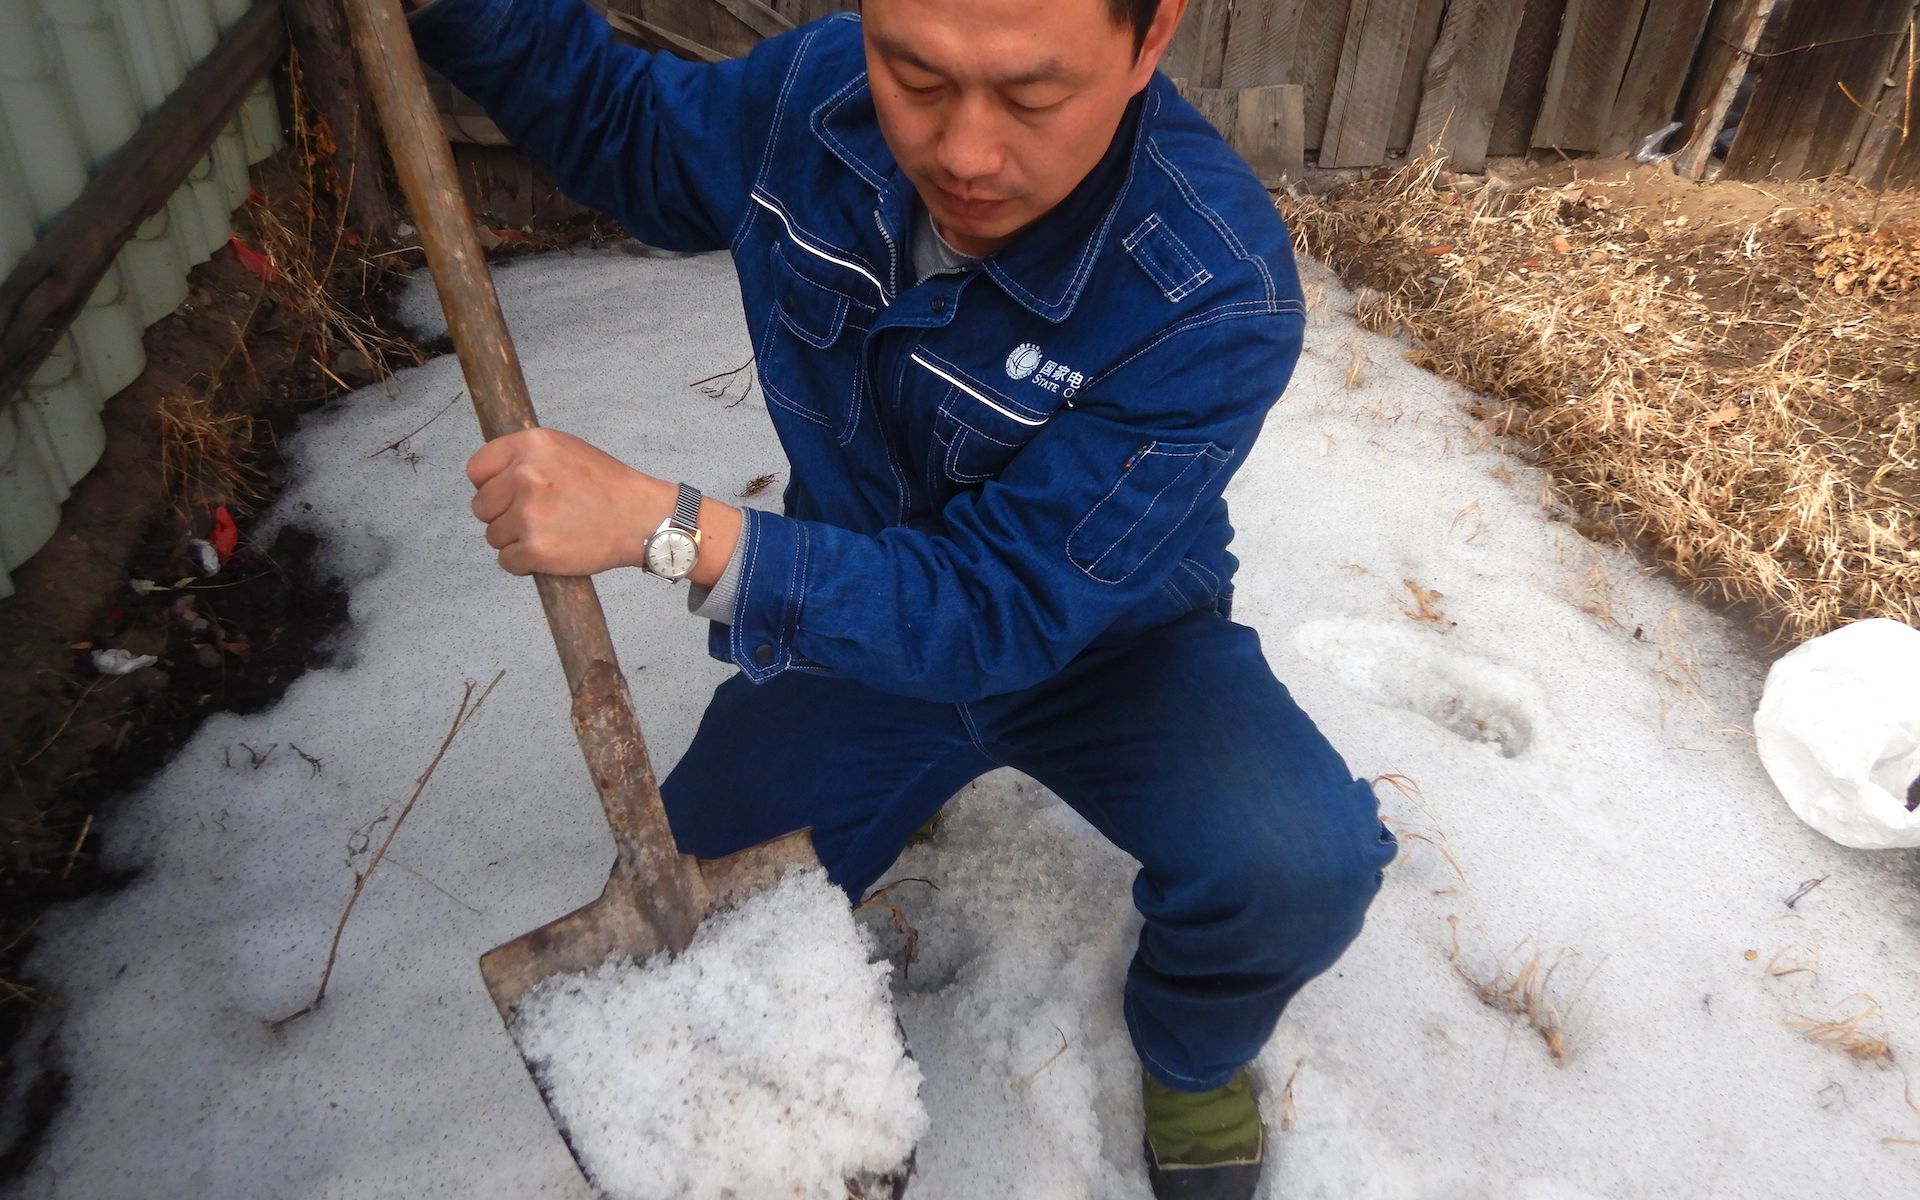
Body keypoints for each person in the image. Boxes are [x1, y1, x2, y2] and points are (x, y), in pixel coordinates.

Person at [407, 0, 1396, 1194]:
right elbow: (627, 130)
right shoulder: (814, 99)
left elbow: (1003, 608)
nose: (964, 155)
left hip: (1110, 638)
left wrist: (670, 530)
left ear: (1148, 41)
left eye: (1032, 97)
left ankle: (1193, 1052)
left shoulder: (1212, 283)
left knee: (1298, 865)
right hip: (848, 633)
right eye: (914, 75)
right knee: (699, 927)